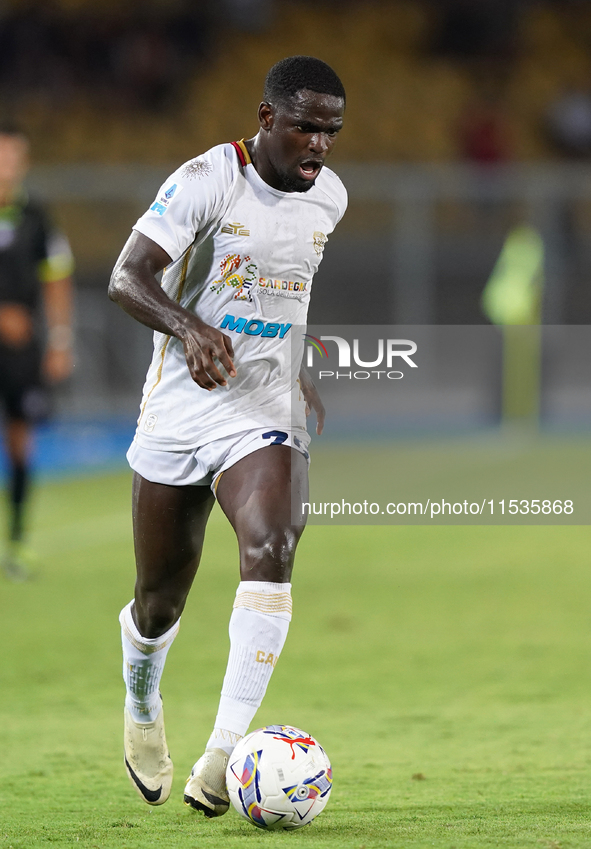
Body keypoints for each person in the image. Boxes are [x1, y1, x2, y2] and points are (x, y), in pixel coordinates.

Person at [109, 55, 347, 816]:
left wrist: (296, 362)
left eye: (331, 131)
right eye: (306, 126)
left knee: (272, 549)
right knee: (158, 601)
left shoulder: (329, 199)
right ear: (266, 118)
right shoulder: (208, 179)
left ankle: (220, 756)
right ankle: (142, 699)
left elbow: (288, 288)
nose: (319, 145)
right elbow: (126, 276)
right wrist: (188, 327)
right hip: (181, 409)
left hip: (262, 409)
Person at [0, 124, 74, 581]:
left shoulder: (38, 216)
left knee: (20, 439)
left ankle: (18, 542)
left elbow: (57, 278)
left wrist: (61, 340)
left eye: (14, 157)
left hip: (21, 350)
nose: (7, 166)